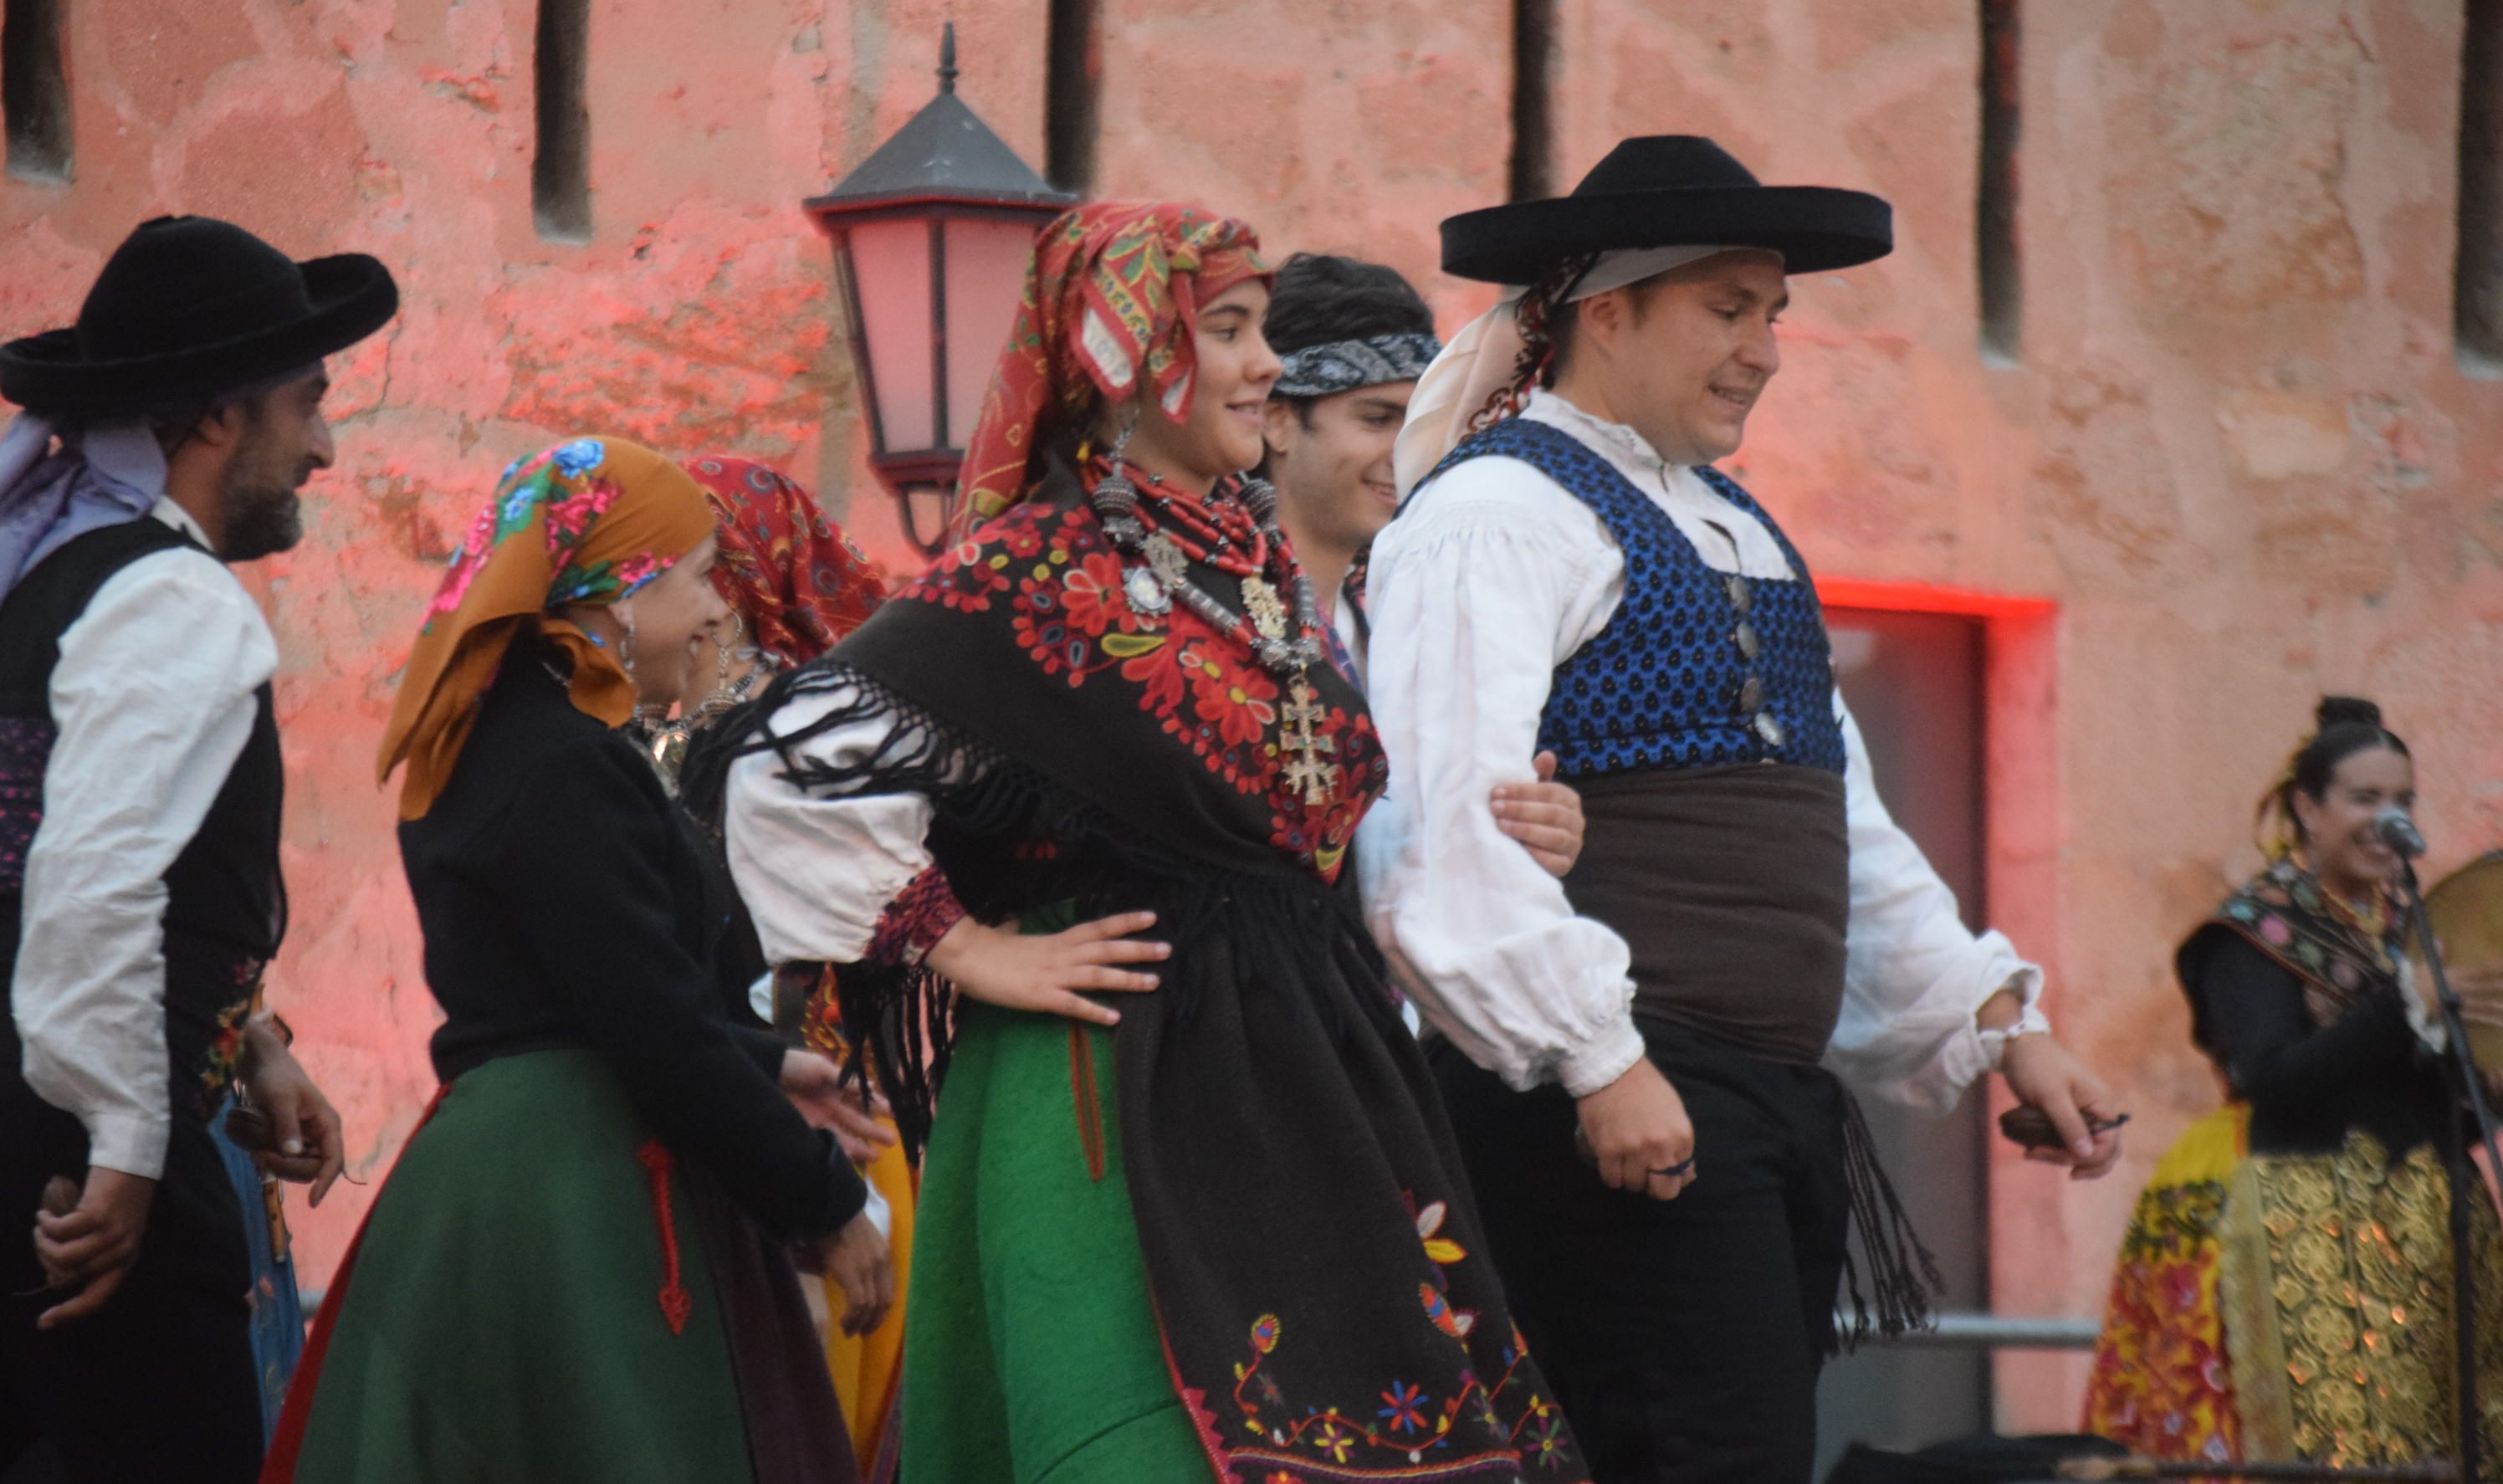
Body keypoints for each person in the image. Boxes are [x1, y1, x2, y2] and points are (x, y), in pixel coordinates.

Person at [709, 202, 1592, 1482]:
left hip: (1312, 1088)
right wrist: (958, 949)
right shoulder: (1026, 572)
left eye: (1260, 331)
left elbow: (1307, 838)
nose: (1263, 363)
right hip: (1112, 1092)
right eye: (1225, 330)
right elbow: (789, 770)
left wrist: (1510, 833)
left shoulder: (1256, 574)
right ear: (1120, 356)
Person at [1364, 136, 2122, 1484]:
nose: (1766, 349)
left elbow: (1840, 830)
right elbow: (1440, 834)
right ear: (1609, 310)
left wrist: (2004, 1024)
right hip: (1614, 1097)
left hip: (1752, 1099)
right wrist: (1603, 1063)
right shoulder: (1498, 514)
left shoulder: (1735, 525)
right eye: (1729, 308)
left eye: (1773, 312)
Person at [266, 438, 887, 1484]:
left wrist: (765, 1061)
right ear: (620, 587)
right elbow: (647, 1023)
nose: (713, 611)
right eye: (694, 575)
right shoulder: (561, 763)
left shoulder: (505, 740)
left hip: (536, 1162)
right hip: (575, 1198)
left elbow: (580, 985)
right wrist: (822, 1201)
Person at [0, 217, 383, 1482]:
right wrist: (124, 1145)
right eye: (306, 403)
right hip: (88, 1183)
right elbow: (89, 884)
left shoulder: (51, 575)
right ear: (218, 420)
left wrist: (252, 1041)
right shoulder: (169, 596)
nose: (324, 445)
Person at [2085, 697, 2503, 1475]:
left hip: (2430, 1241)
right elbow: (2272, 1080)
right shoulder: (2253, 932)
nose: (2390, 819)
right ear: (2308, 809)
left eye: (2403, 801)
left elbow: (2457, 1116)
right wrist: (2400, 1009)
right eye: (2366, 799)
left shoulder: (2425, 937)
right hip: (2295, 1224)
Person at [670, 453, 910, 1481]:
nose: (694, 600)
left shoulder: (808, 725)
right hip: (746, 1082)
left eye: (710, 566)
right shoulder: (644, 714)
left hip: (819, 1094)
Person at [1261, 250, 1584, 874]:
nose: (1405, 450)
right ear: (1278, 420)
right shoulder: (1206, 607)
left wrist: (1533, 830)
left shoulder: (1406, 610)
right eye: (1377, 418)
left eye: (1419, 420)